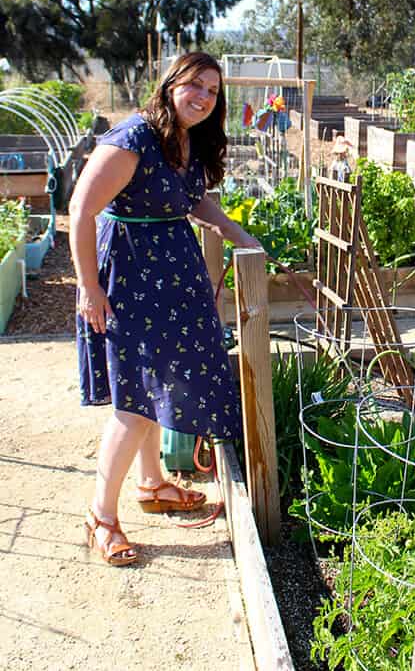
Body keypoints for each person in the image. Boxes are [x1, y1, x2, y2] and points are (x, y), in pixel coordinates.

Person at [70, 51, 261, 566]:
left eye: (213, 91)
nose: (203, 96)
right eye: (194, 85)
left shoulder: (187, 141)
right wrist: (89, 288)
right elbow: (82, 210)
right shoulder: (133, 138)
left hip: (171, 280)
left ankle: (152, 484)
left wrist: (237, 234)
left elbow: (191, 201)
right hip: (131, 281)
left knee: (157, 387)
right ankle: (101, 518)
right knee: (134, 399)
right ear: (170, 84)